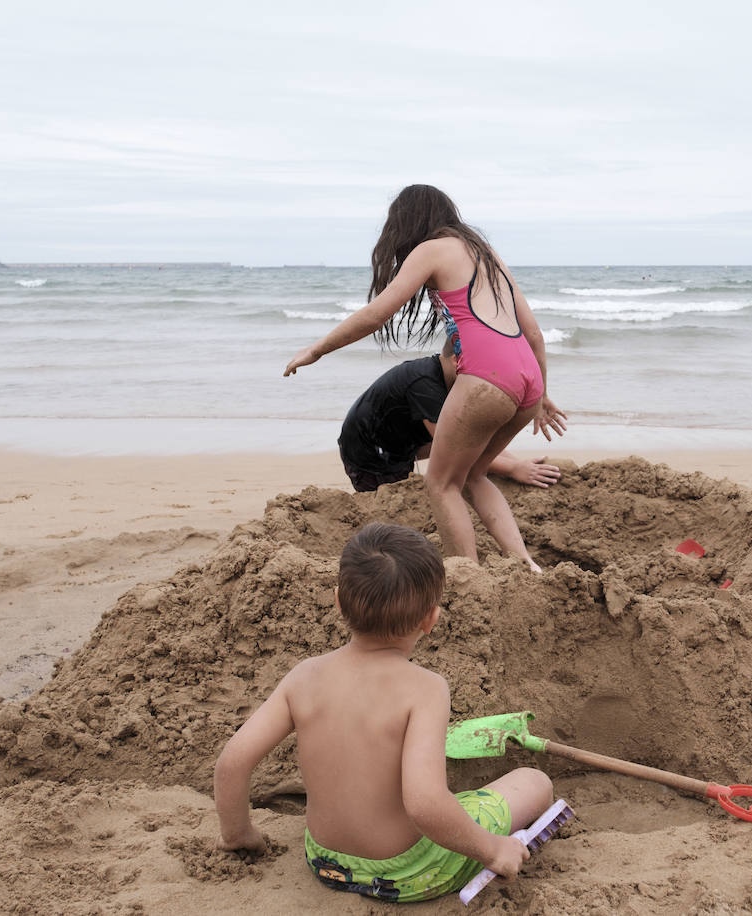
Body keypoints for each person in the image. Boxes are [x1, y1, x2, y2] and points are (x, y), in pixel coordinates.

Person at [214, 522, 555, 902]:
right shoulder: (425, 689)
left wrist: (238, 834)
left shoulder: (303, 677)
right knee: (533, 782)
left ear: (338, 601)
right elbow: (425, 805)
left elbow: (233, 761)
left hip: (327, 863)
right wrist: (494, 850)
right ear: (431, 619)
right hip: (410, 872)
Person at [285, 185, 561, 570]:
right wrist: (542, 393)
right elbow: (533, 333)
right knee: (475, 475)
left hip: (486, 376)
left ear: (408, 222)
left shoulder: (432, 248)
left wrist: (316, 350)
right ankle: (527, 565)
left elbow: (377, 313)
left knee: (441, 483)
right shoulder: (487, 254)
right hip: (526, 378)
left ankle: (467, 577)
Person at [339, 340, 565, 493]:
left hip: (403, 438)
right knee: (390, 512)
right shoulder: (425, 385)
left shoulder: (453, 378)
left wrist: (517, 462)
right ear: (458, 360)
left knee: (471, 436)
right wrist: (513, 470)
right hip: (369, 453)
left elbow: (475, 437)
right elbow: (454, 450)